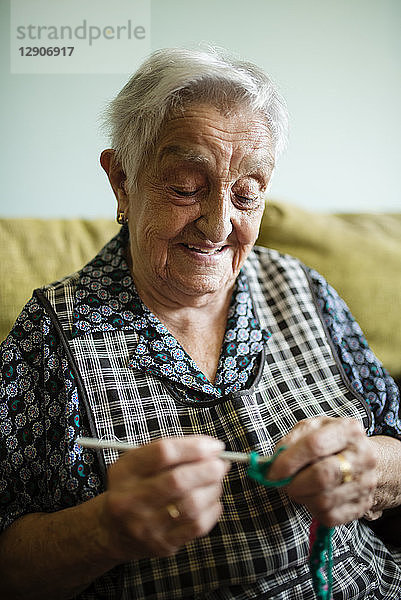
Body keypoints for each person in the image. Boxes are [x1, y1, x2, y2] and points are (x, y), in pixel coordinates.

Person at [0, 47, 400, 600]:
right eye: (185, 188)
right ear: (122, 180)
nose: (218, 223)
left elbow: (394, 438)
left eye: (246, 194)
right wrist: (105, 531)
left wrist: (369, 471)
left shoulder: (301, 285)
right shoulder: (53, 333)